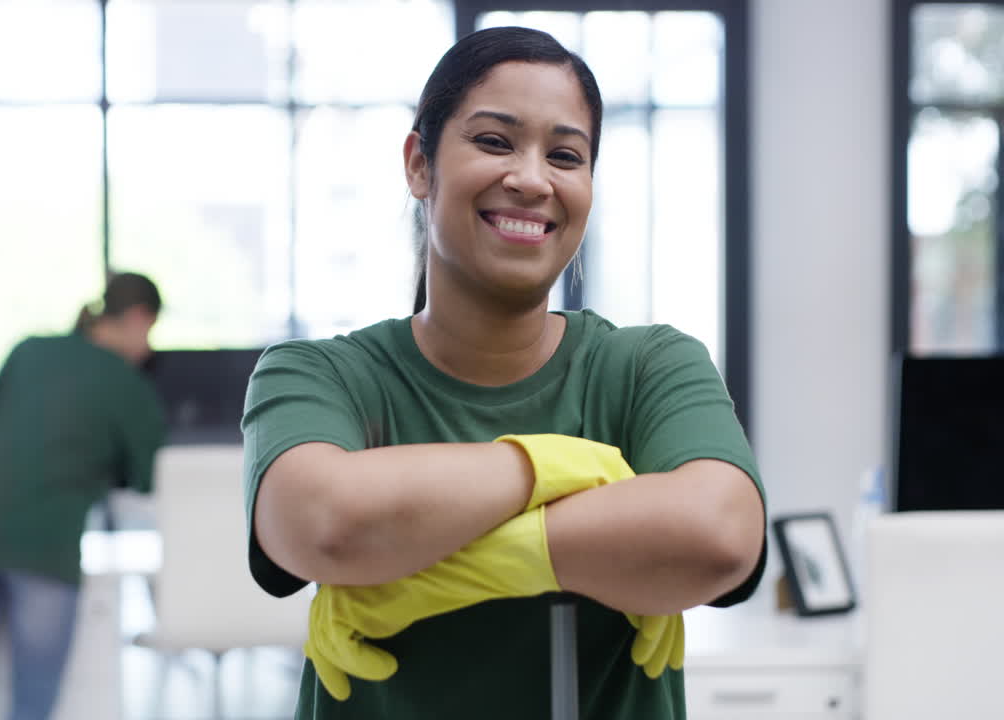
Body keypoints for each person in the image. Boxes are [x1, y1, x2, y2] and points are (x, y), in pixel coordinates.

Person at [241, 26, 767, 720]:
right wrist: (569, 466)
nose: (531, 179)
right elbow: (322, 521)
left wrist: (428, 572)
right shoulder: (320, 376)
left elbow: (719, 535)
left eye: (566, 155)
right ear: (419, 164)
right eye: (494, 141)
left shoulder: (648, 366)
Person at [0, 272, 168, 720]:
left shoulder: (30, 349)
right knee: (32, 703)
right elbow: (148, 476)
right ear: (138, 317)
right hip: (45, 552)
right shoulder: (126, 382)